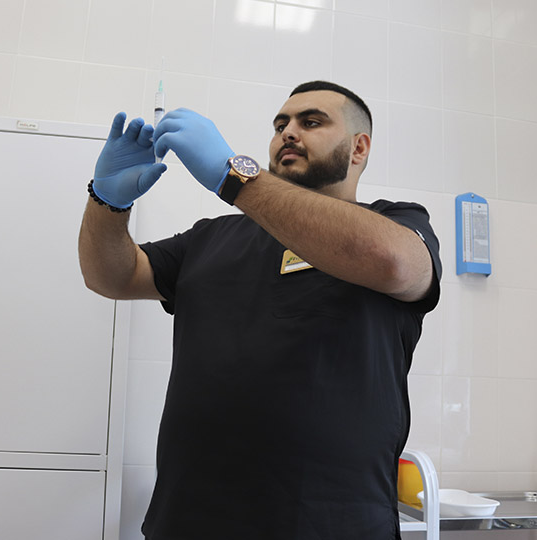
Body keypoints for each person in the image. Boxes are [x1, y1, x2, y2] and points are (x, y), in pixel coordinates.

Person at [79, 81, 441, 540]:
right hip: (188, 523)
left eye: (311, 122)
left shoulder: (396, 224)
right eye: (280, 124)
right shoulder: (211, 237)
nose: (288, 132)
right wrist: (107, 202)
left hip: (332, 527)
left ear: (358, 147)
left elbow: (394, 263)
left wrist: (234, 177)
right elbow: (111, 276)